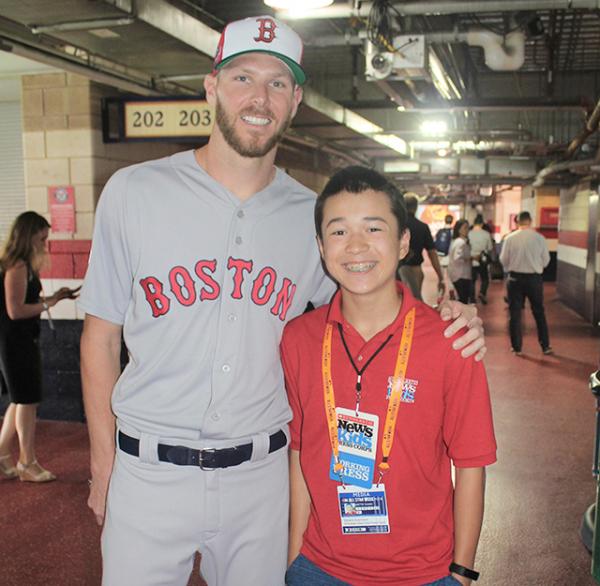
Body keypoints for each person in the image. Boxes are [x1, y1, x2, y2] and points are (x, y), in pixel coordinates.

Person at [78, 15, 487, 586]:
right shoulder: (134, 191)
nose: (259, 97)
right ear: (211, 86)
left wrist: (452, 315)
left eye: (277, 84)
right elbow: (100, 337)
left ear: (295, 101)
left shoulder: (313, 217)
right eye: (243, 77)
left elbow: (366, 302)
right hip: (148, 472)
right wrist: (104, 466)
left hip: (261, 478)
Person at [281, 167, 496, 586]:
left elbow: (471, 464)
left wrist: (461, 574)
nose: (356, 246)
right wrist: (294, 558)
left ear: (402, 243)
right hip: (318, 568)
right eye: (339, 232)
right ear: (321, 247)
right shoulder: (299, 339)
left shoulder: (451, 341)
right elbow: (299, 451)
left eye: (373, 228)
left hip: (424, 574)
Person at [0, 212, 76, 482]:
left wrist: (53, 297)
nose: (45, 244)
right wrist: (48, 304)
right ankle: (27, 462)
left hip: (20, 339)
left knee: (19, 400)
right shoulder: (17, 265)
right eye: (42, 238)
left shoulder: (23, 265)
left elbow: (24, 300)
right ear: (28, 235)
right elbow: (15, 310)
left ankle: (3, 457)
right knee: (27, 401)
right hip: (15, 342)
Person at [499, 211, 552, 356]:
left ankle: (517, 347)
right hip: (534, 279)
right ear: (530, 221)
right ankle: (545, 345)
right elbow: (546, 260)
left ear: (517, 222)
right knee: (539, 312)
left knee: (515, 313)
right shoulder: (539, 238)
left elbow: (503, 260)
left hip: (515, 279)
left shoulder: (510, 238)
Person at [397, 194, 445, 302]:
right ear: (416, 207)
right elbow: (432, 253)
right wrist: (440, 277)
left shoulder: (396, 225)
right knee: (415, 300)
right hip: (416, 270)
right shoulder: (422, 227)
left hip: (397, 269)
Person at [468, 214, 494, 304]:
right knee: (485, 278)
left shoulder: (468, 233)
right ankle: (482, 293)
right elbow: (490, 248)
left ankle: (472, 298)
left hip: (471, 259)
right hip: (482, 259)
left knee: (472, 280)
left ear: (474, 223)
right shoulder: (486, 234)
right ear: (482, 224)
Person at [448, 219, 474, 305]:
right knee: (463, 301)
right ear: (458, 229)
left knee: (463, 300)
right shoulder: (461, 242)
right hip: (461, 275)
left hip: (459, 274)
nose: (467, 230)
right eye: (465, 228)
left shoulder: (456, 241)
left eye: (468, 228)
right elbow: (457, 258)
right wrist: (470, 258)